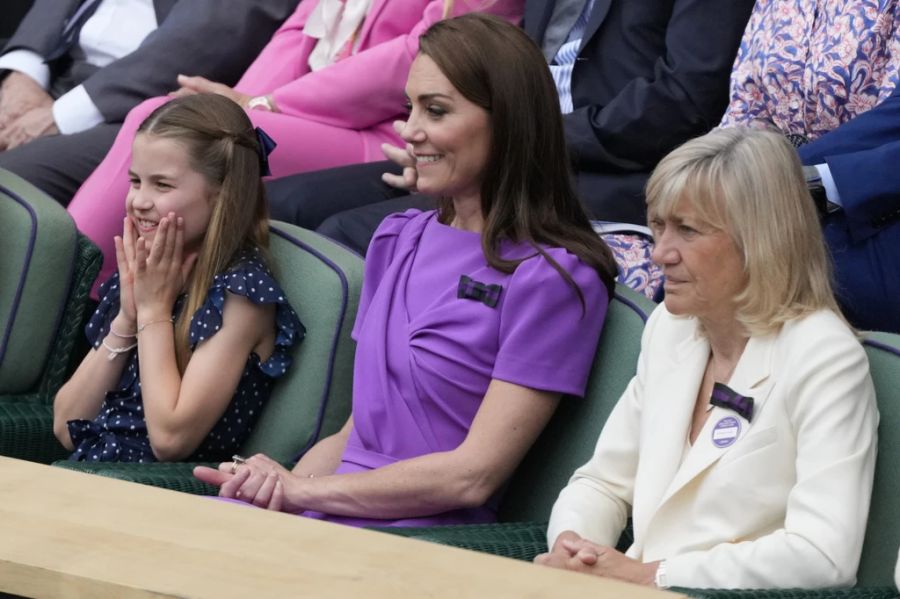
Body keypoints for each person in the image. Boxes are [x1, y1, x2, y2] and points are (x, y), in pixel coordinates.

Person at [193, 13, 616, 528]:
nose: (409, 131)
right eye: (408, 107)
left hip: (425, 536)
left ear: (508, 120)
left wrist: (307, 492)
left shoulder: (553, 276)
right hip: (337, 506)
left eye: (435, 111)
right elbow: (355, 433)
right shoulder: (398, 237)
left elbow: (472, 476)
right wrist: (282, 501)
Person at [535, 128, 878, 589]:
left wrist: (653, 576)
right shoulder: (671, 329)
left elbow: (823, 556)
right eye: (658, 226)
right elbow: (603, 483)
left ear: (761, 239)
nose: (659, 254)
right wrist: (573, 547)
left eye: (687, 230)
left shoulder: (824, 355)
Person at [65, 0, 523, 292]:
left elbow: (421, 55)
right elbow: (298, 29)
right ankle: (85, 295)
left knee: (168, 126)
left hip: (389, 128)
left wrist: (262, 105)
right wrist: (229, 109)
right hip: (298, 113)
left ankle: (71, 289)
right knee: (180, 121)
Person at [262, 0, 755, 255]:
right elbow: (498, 72)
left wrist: (514, 144)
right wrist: (451, 146)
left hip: (604, 167)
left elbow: (683, 100)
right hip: (501, 148)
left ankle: (344, 433)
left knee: (347, 234)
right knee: (283, 207)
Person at [53, 94, 303, 463]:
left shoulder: (241, 295)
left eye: (162, 185)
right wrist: (127, 317)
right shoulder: (152, 271)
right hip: (90, 475)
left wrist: (153, 311)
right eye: (136, 181)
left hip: (156, 494)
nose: (139, 200)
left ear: (221, 196)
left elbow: (170, 439)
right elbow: (65, 425)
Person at [718, 0, 900, 332]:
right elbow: (745, 108)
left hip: (864, 204)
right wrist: (722, 175)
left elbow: (886, 125)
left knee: (729, 265)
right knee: (697, 250)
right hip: (783, 182)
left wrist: (795, 180)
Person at [0, 0, 296, 203]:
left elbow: (211, 34)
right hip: (53, 66)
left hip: (146, 107)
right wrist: (26, 68)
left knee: (8, 182)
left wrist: (61, 115)